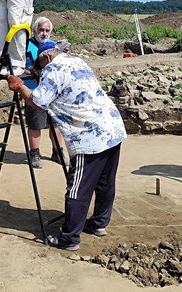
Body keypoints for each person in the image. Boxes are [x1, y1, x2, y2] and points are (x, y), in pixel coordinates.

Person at [7, 42, 127, 251]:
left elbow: (38, 101)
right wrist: (37, 75)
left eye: (41, 66)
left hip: (89, 136)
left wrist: (20, 86)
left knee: (77, 188)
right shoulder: (76, 61)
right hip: (112, 128)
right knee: (105, 182)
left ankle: (69, 238)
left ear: (47, 58)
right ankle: (99, 223)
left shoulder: (52, 68)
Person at [23, 16, 65, 168]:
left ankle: (58, 152)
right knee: (35, 124)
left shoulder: (53, 46)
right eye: (41, 30)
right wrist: (32, 73)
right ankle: (35, 153)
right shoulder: (25, 45)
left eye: (47, 30)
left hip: (53, 91)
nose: (44, 33)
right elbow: (19, 67)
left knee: (56, 124)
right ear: (35, 30)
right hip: (33, 90)